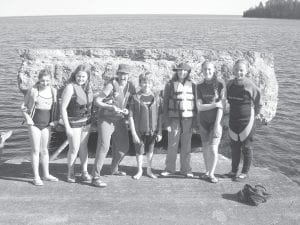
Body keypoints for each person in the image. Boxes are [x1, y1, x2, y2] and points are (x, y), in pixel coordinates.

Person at [92, 64, 136, 187]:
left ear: (128, 75)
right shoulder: (111, 85)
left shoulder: (130, 86)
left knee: (124, 147)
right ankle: (95, 177)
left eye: (125, 74)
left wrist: (127, 110)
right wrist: (110, 107)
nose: (123, 76)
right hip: (106, 119)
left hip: (119, 119)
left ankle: (114, 169)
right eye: (121, 74)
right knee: (104, 146)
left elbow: (131, 102)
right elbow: (97, 101)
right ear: (118, 74)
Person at [224, 59, 262, 182]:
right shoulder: (229, 84)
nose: (238, 72)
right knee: (234, 147)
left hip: (247, 121)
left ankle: (244, 172)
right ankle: (233, 171)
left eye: (241, 70)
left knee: (246, 147)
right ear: (233, 70)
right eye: (236, 70)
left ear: (246, 71)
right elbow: (225, 99)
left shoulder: (250, 85)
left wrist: (254, 115)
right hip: (233, 119)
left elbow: (258, 103)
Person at [21, 69, 59, 186]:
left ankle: (46, 174)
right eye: (42, 81)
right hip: (34, 124)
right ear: (39, 80)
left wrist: (56, 121)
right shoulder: (33, 90)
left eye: (47, 81)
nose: (45, 83)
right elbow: (23, 106)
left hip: (47, 124)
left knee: (45, 150)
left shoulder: (53, 91)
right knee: (35, 150)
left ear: (51, 80)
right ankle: (36, 176)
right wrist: (27, 118)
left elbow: (56, 108)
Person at [161, 63, 196, 178]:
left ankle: (186, 170)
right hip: (174, 120)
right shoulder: (170, 85)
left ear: (188, 72)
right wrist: (166, 122)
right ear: (177, 71)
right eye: (180, 70)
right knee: (172, 145)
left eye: (185, 71)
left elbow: (196, 105)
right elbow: (165, 104)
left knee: (187, 145)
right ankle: (169, 169)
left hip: (188, 119)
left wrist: (195, 122)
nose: (182, 72)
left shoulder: (193, 85)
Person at [61, 64, 93, 183]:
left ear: (87, 77)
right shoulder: (70, 87)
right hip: (73, 123)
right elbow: (63, 108)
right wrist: (67, 127)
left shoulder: (88, 87)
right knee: (74, 148)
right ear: (75, 75)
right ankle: (70, 171)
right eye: (79, 76)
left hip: (86, 122)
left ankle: (84, 171)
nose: (81, 79)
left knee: (84, 147)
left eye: (83, 77)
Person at [128, 72, 162, 180]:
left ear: (152, 84)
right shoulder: (135, 98)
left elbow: (160, 116)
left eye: (149, 82)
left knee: (150, 151)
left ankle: (149, 169)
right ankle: (139, 170)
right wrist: (133, 133)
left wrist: (160, 131)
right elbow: (130, 116)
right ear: (140, 83)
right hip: (139, 131)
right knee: (139, 152)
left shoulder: (156, 98)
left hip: (152, 131)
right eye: (144, 82)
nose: (146, 85)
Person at [197, 61, 225, 183]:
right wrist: (214, 104)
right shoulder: (199, 86)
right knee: (205, 148)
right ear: (202, 71)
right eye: (205, 69)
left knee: (213, 148)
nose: (207, 72)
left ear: (213, 70)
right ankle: (207, 171)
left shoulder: (220, 84)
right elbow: (199, 107)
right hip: (203, 121)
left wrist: (217, 124)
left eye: (209, 69)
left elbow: (221, 106)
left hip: (215, 122)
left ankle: (212, 174)